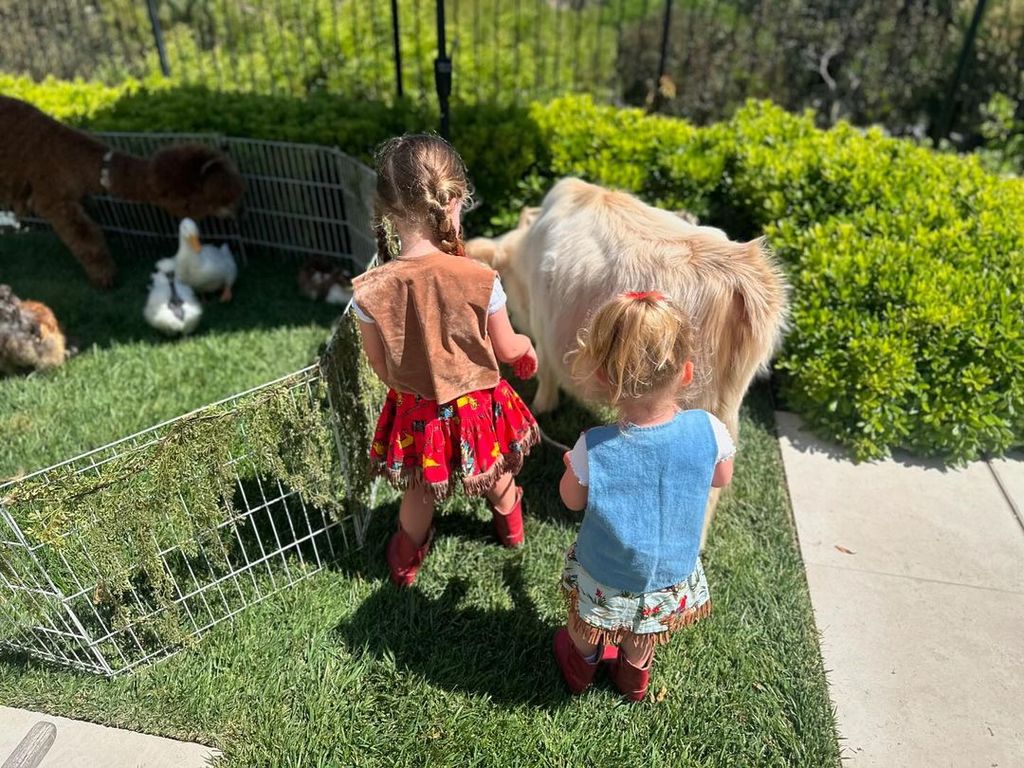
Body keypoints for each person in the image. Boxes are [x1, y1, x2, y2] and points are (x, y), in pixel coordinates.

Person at [351, 134, 540, 587]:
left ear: (386, 210)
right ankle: (510, 525)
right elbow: (508, 347)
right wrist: (527, 349)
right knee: (494, 472)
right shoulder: (480, 278)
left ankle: (404, 558)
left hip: (417, 413)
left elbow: (379, 366)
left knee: (420, 490)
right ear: (453, 200)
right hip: (477, 409)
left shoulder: (369, 291)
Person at [553, 291, 735, 701]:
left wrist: (572, 470)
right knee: (644, 631)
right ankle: (634, 679)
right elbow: (722, 476)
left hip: (606, 570)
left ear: (603, 377)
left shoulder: (594, 446)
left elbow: (572, 501)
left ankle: (580, 666)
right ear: (686, 373)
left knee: (586, 624)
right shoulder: (709, 428)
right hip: (670, 570)